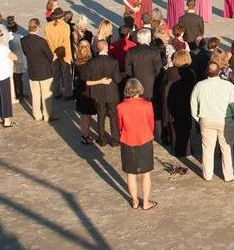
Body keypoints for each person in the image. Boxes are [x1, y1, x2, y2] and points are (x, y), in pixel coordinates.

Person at [190, 62, 234, 182]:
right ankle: (229, 174)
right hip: (225, 120)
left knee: (207, 148)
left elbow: (193, 105)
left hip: (206, 119)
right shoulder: (228, 86)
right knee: (227, 148)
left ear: (207, 72)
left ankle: (207, 174)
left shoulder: (199, 85)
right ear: (219, 72)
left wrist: (198, 119)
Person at [117, 78, 156, 210]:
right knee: (146, 174)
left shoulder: (120, 107)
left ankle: (134, 201)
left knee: (130, 174)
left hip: (127, 140)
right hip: (144, 139)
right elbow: (151, 123)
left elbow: (120, 125)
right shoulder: (147, 105)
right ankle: (145, 202)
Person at [81, 39, 121, 147]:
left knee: (101, 115)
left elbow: (87, 80)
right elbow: (117, 79)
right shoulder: (113, 62)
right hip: (111, 92)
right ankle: (115, 139)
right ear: (106, 47)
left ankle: (102, 139)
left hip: (97, 93)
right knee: (113, 116)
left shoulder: (91, 62)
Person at [160, 50, 197, 157]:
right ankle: (187, 150)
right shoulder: (190, 72)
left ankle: (176, 149)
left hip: (172, 103)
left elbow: (163, 87)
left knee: (174, 128)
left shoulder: (170, 71)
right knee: (185, 127)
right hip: (186, 103)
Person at [125, 28, 162, 102]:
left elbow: (128, 69)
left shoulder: (131, 51)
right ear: (149, 39)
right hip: (151, 85)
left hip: (135, 85)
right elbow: (158, 70)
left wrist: (134, 76)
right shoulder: (154, 51)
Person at [44, 8, 73, 99]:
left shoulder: (47, 26)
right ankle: (68, 93)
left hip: (52, 53)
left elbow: (47, 41)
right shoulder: (65, 26)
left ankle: (56, 92)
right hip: (64, 53)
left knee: (55, 74)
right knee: (66, 74)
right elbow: (66, 42)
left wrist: (53, 51)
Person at [73, 41, 97, 144]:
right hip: (87, 92)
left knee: (82, 114)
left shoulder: (77, 61)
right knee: (86, 116)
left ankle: (84, 134)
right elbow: (87, 81)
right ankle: (86, 136)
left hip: (79, 91)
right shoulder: (89, 64)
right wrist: (101, 81)